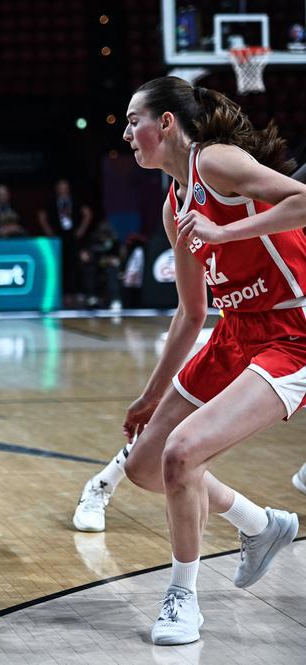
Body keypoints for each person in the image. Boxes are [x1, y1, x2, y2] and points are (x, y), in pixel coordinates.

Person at [112, 76, 302, 646]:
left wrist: (227, 228)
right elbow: (191, 312)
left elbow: (302, 199)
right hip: (234, 332)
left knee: (182, 453)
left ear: (166, 123)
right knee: (145, 465)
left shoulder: (216, 161)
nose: (126, 134)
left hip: (292, 331)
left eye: (134, 121)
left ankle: (182, 599)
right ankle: (260, 525)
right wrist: (151, 393)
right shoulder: (174, 205)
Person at [38, 179, 93, 307]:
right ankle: (64, 294)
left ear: (68, 189)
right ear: (57, 189)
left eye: (65, 187)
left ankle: (78, 293)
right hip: (58, 238)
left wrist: (81, 229)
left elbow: (88, 213)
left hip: (74, 237)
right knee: (61, 265)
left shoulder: (76, 200)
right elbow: (41, 216)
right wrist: (49, 232)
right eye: (60, 188)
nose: (63, 190)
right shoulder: (52, 202)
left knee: (77, 264)